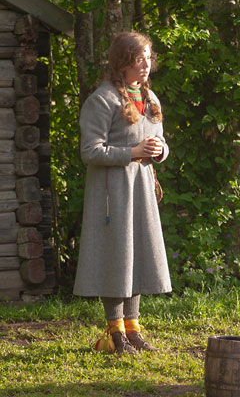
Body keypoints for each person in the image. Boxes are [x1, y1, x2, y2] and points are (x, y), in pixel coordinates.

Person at [73, 32, 171, 354]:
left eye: (148, 57)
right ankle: (115, 333)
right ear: (123, 62)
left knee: (137, 255)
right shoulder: (102, 100)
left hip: (141, 189)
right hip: (112, 193)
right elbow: (90, 151)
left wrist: (159, 151)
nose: (146, 64)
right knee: (117, 258)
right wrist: (132, 152)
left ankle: (133, 328)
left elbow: (159, 142)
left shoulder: (150, 97)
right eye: (139, 58)